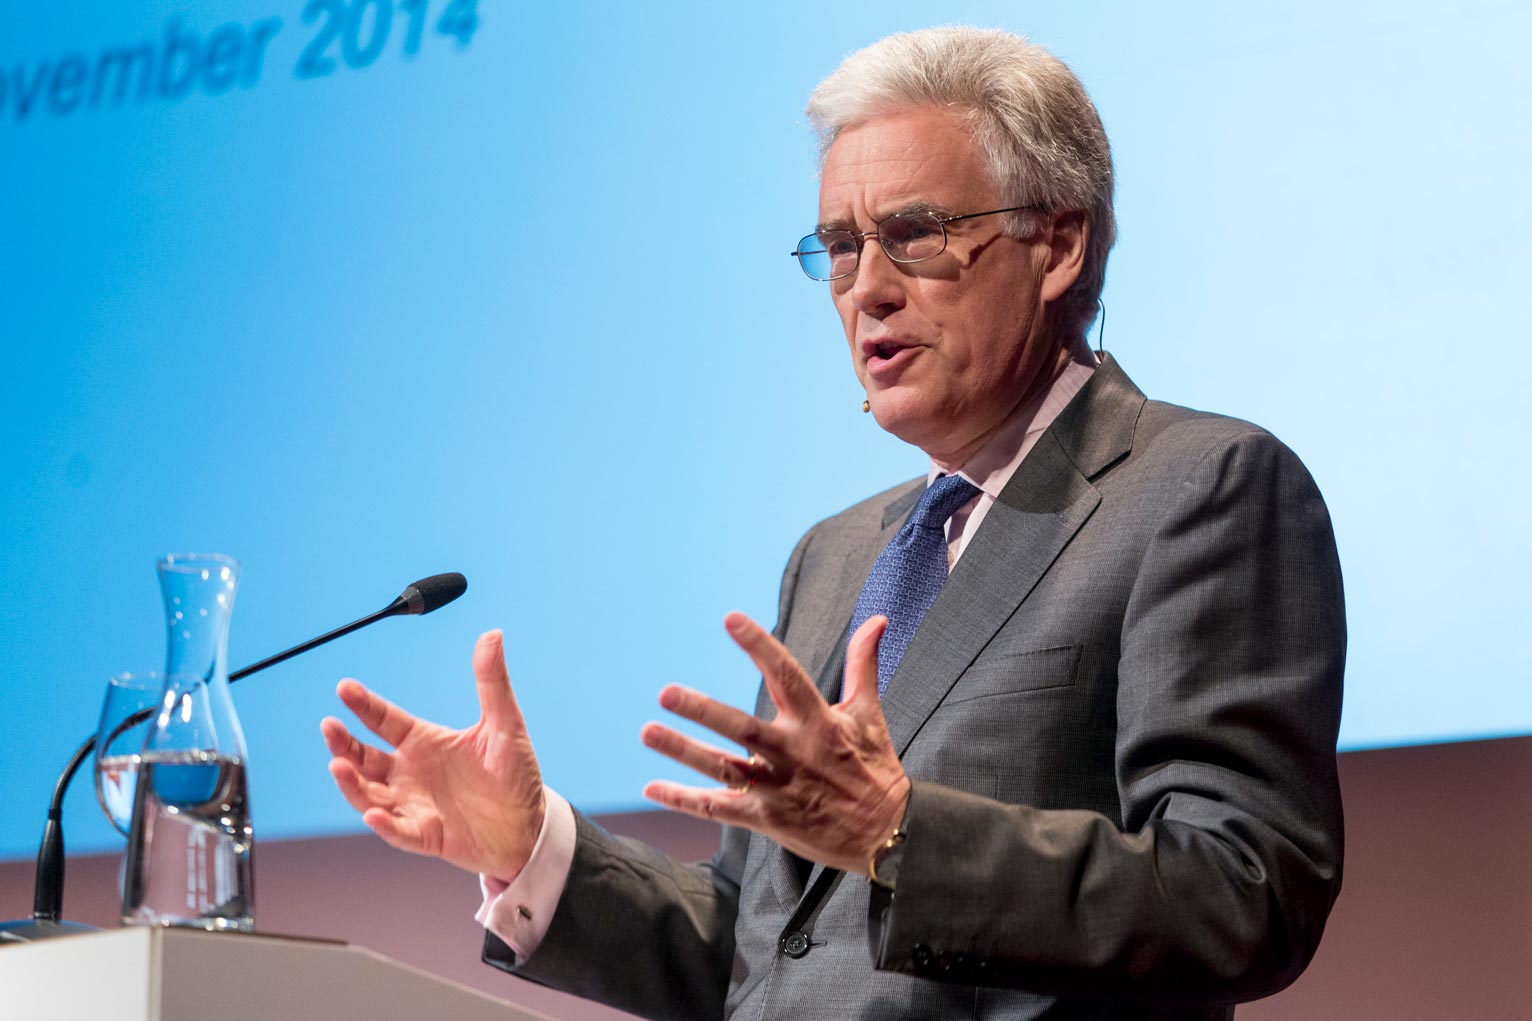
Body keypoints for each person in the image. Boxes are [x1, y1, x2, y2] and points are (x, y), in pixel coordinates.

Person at [321, 26, 1345, 1021]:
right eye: (842, 247)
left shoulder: (1195, 489)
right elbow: (765, 951)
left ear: (1057, 243)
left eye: (913, 235)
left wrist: (900, 831)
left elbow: (1239, 894)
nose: (866, 289)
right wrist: (530, 846)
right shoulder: (837, 552)